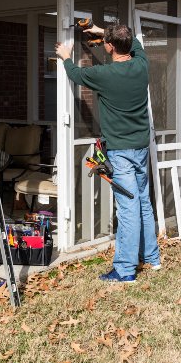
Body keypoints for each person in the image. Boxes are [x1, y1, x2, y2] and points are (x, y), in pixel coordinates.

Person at [55, 23, 160, 283]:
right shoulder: (141, 65)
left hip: (121, 151)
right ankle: (152, 257)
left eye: (106, 42)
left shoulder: (105, 74)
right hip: (140, 147)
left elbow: (75, 74)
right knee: (143, 202)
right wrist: (103, 32)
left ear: (110, 46)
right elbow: (134, 42)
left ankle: (125, 271)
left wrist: (65, 55)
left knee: (128, 209)